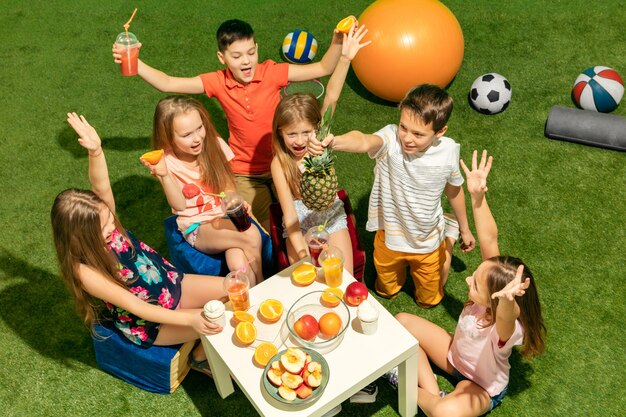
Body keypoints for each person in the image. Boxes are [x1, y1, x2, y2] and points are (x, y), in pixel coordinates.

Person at [113, 19, 344, 229]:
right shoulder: (217, 81)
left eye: (251, 53)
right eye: (236, 56)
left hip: (284, 161)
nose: (246, 61)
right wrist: (135, 62)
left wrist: (337, 41)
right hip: (245, 173)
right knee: (266, 230)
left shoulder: (272, 72)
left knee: (303, 217)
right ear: (222, 58)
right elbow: (167, 83)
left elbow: (324, 67)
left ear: (257, 50)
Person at [51, 112, 229, 376]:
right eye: (104, 227)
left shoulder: (105, 220)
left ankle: (201, 340)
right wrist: (193, 317)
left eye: (109, 218)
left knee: (235, 290)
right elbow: (138, 307)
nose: (113, 225)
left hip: (171, 284)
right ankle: (199, 357)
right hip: (151, 322)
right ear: (80, 237)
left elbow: (100, 187)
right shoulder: (85, 271)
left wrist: (96, 151)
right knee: (219, 320)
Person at [389, 150, 547, 416]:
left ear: (496, 299)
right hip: (453, 357)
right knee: (402, 322)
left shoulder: (505, 327)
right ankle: (433, 391)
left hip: (481, 387)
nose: (468, 279)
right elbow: (489, 239)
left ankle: (409, 388)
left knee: (444, 413)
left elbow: (508, 317)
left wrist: (507, 303)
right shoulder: (491, 281)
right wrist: (478, 197)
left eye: (475, 284)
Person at [309, 84, 476, 308]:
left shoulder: (448, 152)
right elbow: (364, 140)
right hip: (390, 236)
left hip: (427, 241)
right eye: (403, 127)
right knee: (386, 291)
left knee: (429, 301)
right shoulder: (390, 138)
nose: (407, 138)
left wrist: (464, 228)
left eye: (418, 134)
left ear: (440, 132)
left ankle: (449, 237)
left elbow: (454, 189)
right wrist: (335, 142)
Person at [270, 23, 370, 275]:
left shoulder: (320, 141)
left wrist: (345, 58)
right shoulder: (279, 162)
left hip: (331, 216)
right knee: (308, 275)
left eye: (306, 132)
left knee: (340, 274)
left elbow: (331, 98)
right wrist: (303, 252)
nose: (300, 140)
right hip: (299, 225)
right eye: (291, 134)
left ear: (317, 127)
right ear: (280, 133)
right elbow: (289, 214)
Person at [141, 96, 263, 286]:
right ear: (168, 137)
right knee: (251, 234)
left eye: (199, 128)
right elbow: (179, 206)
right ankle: (264, 285)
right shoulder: (167, 162)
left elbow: (228, 187)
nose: (197, 138)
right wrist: (164, 175)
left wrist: (234, 200)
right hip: (197, 226)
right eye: (186, 135)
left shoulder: (214, 144)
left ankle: (251, 299)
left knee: (238, 262)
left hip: (224, 218)